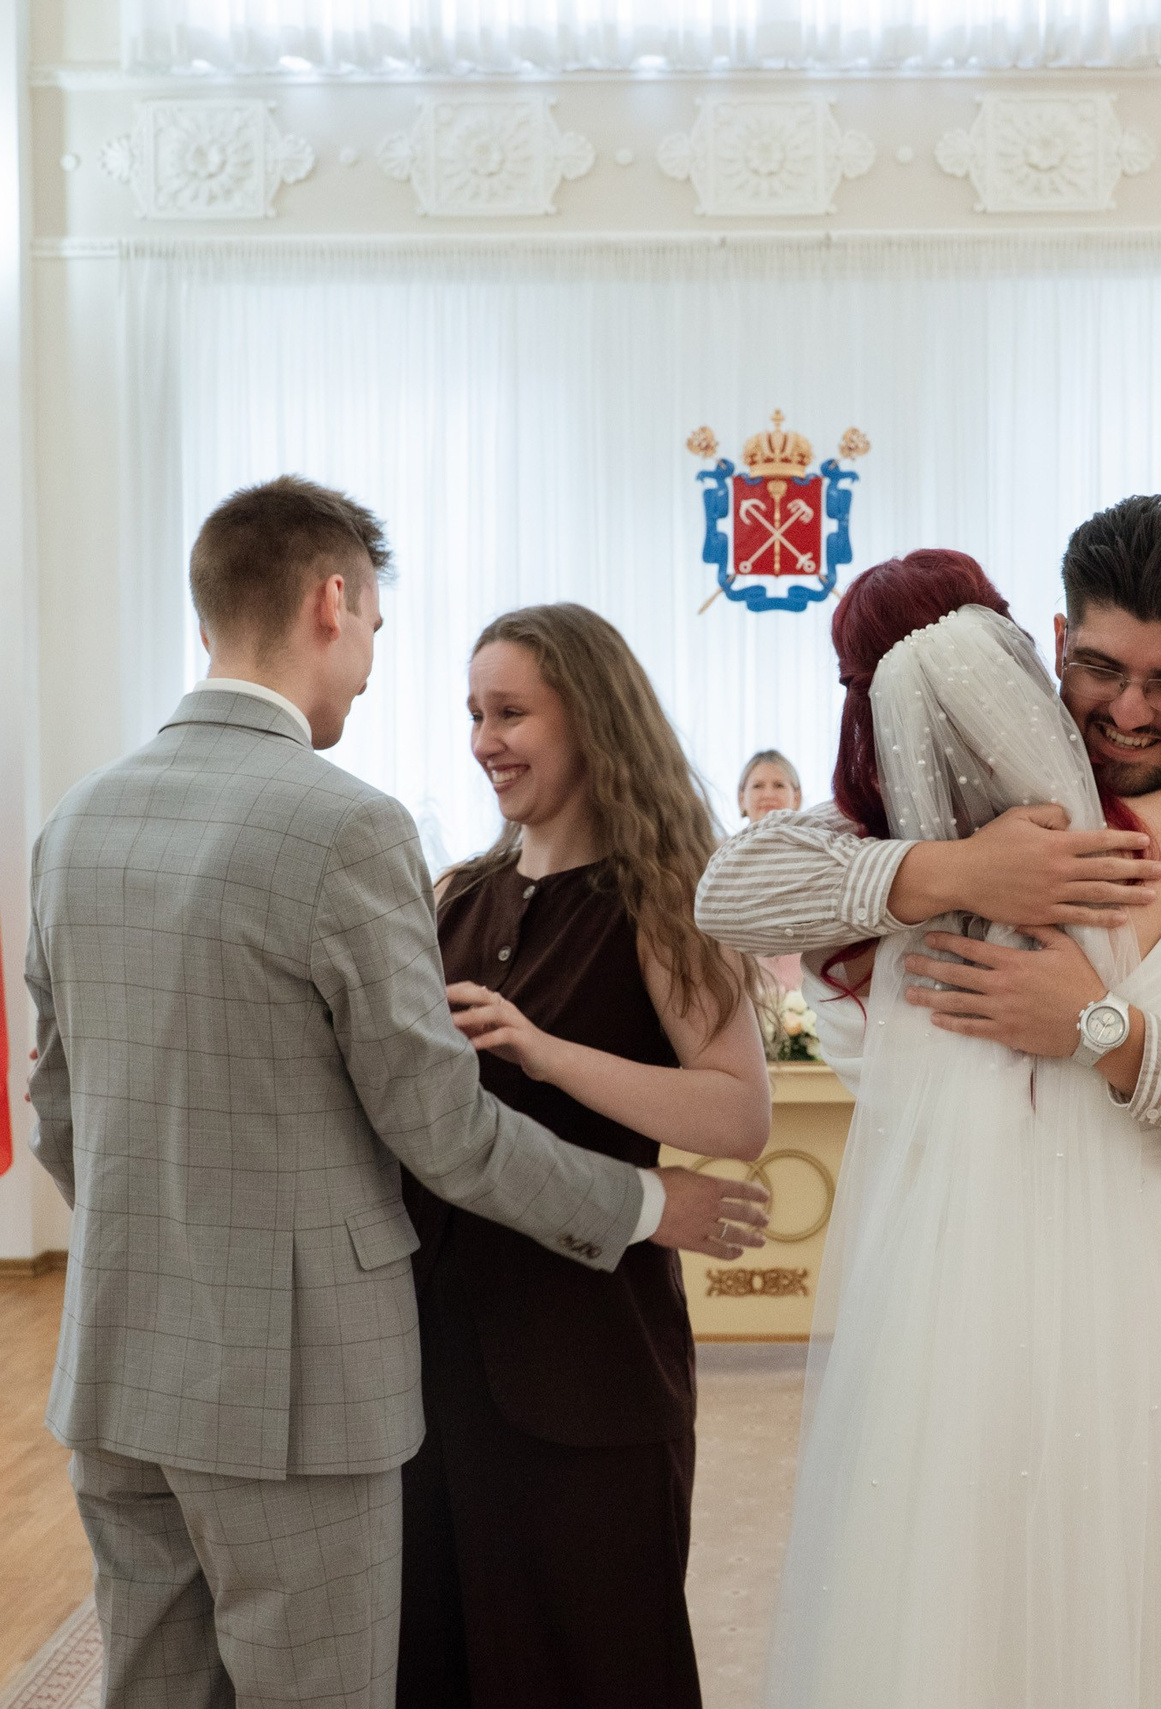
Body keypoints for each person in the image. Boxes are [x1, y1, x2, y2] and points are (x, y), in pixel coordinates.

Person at [25, 477, 768, 1709]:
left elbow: (57, 1113)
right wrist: (643, 1203)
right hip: (343, 1372)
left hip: (139, 1356)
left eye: (509, 709)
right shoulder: (360, 835)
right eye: (378, 634)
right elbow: (433, 1126)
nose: (376, 672)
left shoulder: (76, 821)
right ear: (334, 600)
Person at [699, 502, 1161, 1709]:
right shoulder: (987, 781)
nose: (1125, 712)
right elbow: (736, 882)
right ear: (1050, 640)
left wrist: (1113, 1034)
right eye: (1097, 667)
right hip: (1049, 1335)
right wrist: (949, 872)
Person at [399, 604, 773, 1709]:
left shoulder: (662, 897)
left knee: (601, 1661)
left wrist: (548, 1051)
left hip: (594, 1365)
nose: (485, 739)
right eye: (474, 713)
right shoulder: (452, 896)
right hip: (439, 1359)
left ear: (592, 719)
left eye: (511, 711)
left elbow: (737, 1113)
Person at [736, 750, 809, 991]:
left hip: (806, 993)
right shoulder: (718, 862)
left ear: (796, 797)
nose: (768, 793)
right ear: (741, 799)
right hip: (745, 990)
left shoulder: (815, 856)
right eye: (757, 786)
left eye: (778, 785)